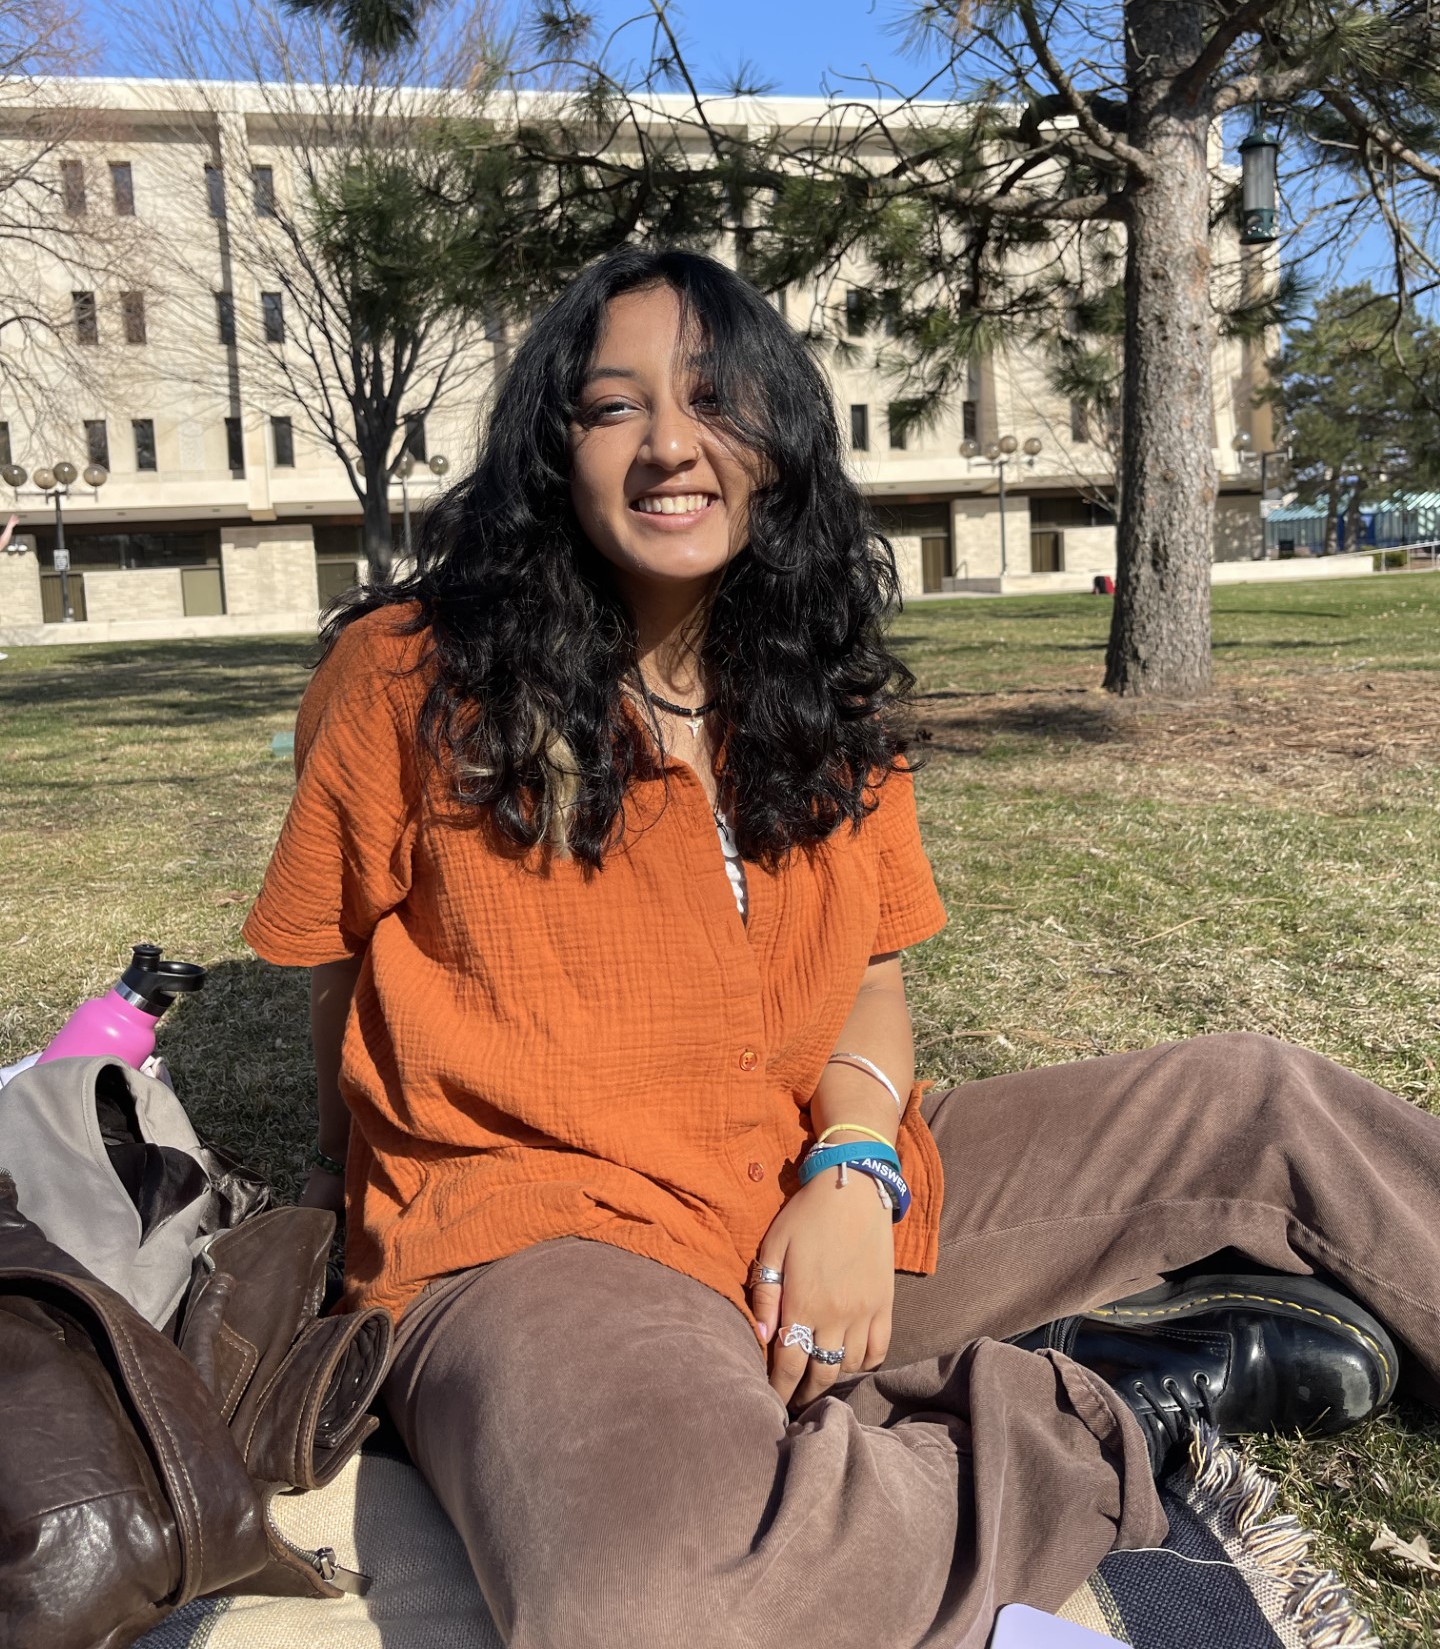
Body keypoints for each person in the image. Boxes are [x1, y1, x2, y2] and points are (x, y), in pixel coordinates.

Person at [245, 249, 1436, 1649]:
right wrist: (342, 1220)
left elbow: (871, 986)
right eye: (615, 407)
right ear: (553, 451)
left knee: (1258, 1100)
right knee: (662, 1603)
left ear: (777, 444)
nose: (670, 445)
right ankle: (1103, 1404)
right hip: (540, 1237)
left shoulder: (817, 692)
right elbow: (342, 987)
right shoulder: (408, 677)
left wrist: (857, 1171)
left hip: (805, 1177)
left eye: (711, 401)